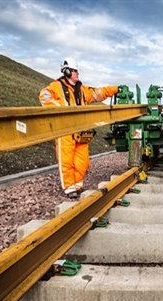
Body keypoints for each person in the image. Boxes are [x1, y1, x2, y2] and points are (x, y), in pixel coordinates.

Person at [39, 57, 119, 198]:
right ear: (67, 71)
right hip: (65, 130)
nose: (77, 73)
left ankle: (77, 185)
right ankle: (70, 188)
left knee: (83, 161)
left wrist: (115, 89)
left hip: (80, 130)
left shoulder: (82, 89)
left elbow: (98, 93)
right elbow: (44, 96)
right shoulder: (56, 86)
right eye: (75, 71)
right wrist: (61, 109)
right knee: (66, 159)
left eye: (77, 71)